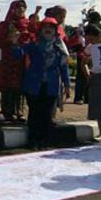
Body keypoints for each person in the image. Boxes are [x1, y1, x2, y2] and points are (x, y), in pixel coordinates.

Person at [10, 17, 71, 150]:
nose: (48, 30)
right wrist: (15, 44)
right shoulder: (34, 44)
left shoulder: (60, 47)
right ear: (40, 30)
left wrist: (67, 85)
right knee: (34, 113)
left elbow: (63, 68)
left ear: (56, 31)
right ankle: (33, 141)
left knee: (47, 114)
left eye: (51, 28)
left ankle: (44, 141)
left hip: (52, 85)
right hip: (33, 84)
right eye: (45, 27)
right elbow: (18, 55)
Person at [0, 0, 31, 122]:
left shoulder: (28, 24)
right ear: (12, 9)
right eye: (18, 7)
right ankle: (8, 112)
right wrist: (10, 40)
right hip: (9, 60)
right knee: (8, 87)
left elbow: (32, 39)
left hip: (23, 61)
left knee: (21, 87)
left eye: (23, 7)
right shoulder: (5, 25)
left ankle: (20, 112)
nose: (21, 10)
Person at [82, 24, 101, 141]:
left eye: (93, 39)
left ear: (100, 35)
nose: (91, 41)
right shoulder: (89, 48)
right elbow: (83, 63)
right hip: (97, 76)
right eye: (89, 39)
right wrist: (88, 75)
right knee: (99, 104)